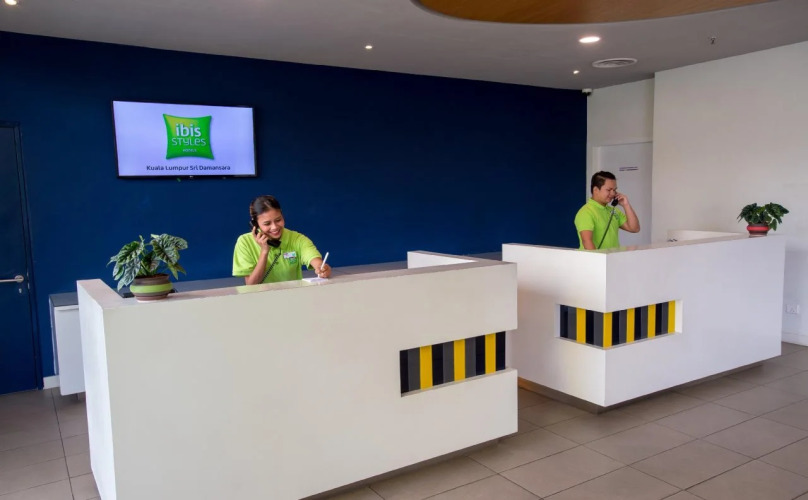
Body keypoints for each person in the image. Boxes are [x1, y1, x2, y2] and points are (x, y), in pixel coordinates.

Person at [233, 195, 331, 284]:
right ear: (255, 224)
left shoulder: (297, 239)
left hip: (292, 295)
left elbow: (316, 261)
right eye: (267, 224)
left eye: (278, 220)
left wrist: (322, 268)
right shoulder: (244, 242)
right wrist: (264, 252)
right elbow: (251, 284)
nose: (274, 227)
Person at [574, 171, 640, 250]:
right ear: (595, 190)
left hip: (612, 257)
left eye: (614, 190)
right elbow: (587, 241)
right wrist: (598, 258)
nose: (612, 194)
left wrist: (626, 205)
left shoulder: (614, 211)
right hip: (597, 257)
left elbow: (634, 228)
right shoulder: (586, 212)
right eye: (609, 190)